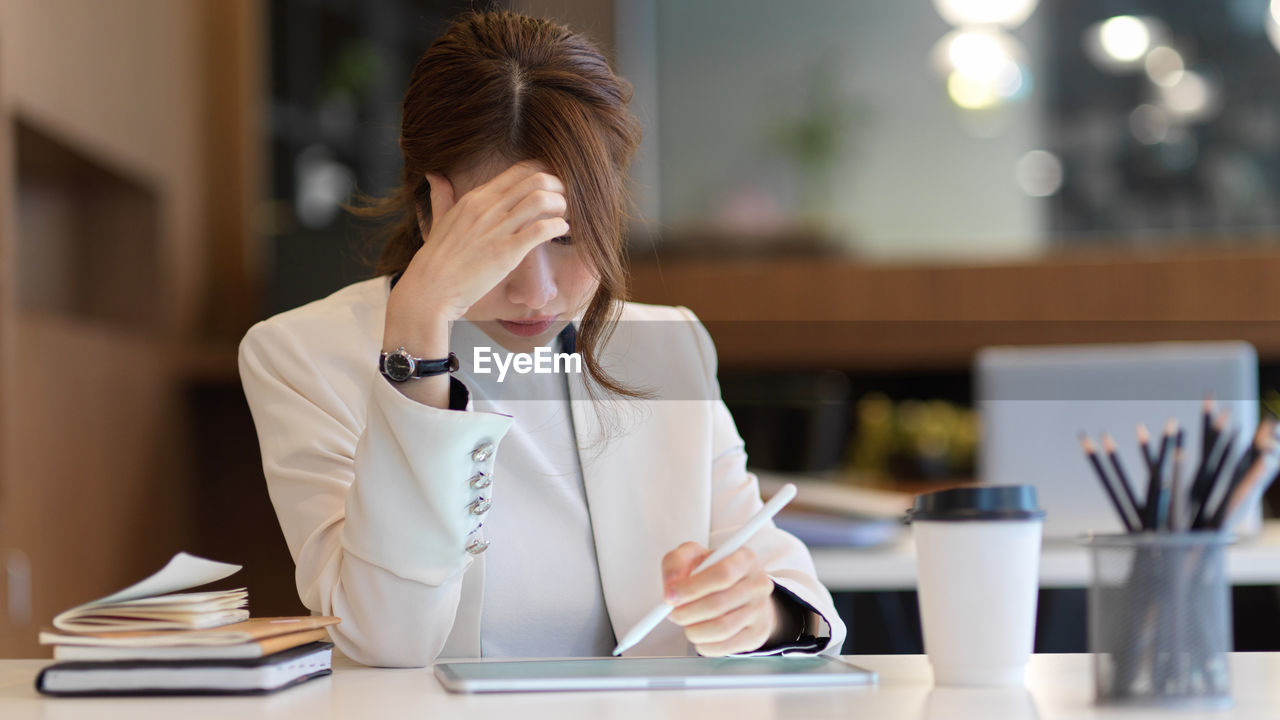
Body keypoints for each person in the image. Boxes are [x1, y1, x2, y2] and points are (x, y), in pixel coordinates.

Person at [238, 9, 846, 668]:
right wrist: (419, 329)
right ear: (426, 210)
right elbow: (386, 641)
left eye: (567, 236)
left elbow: (799, 599)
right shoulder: (302, 355)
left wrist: (761, 612)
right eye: (502, 237)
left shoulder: (667, 344)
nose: (538, 292)